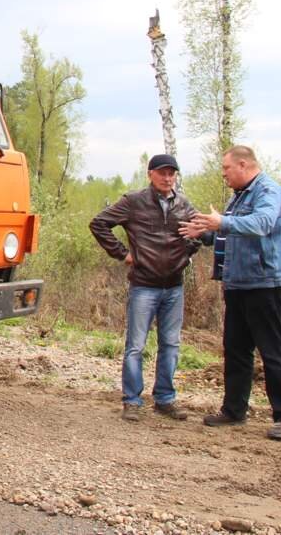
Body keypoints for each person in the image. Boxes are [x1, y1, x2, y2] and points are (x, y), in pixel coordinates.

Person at [180, 145, 281, 440]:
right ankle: (234, 411)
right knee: (235, 349)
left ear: (244, 165)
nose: (223, 175)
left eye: (226, 169)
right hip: (237, 282)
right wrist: (207, 233)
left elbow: (261, 224)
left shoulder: (268, 192)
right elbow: (234, 232)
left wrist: (221, 221)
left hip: (265, 282)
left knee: (272, 350)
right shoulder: (240, 196)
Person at [90, 154, 200, 422]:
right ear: (150, 174)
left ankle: (165, 399)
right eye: (162, 172)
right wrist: (123, 254)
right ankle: (132, 400)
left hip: (174, 286)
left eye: (172, 173)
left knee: (171, 345)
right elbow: (99, 223)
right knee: (136, 346)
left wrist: (187, 253)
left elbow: (201, 233)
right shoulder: (134, 202)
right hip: (144, 286)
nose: (168, 177)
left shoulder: (183, 204)